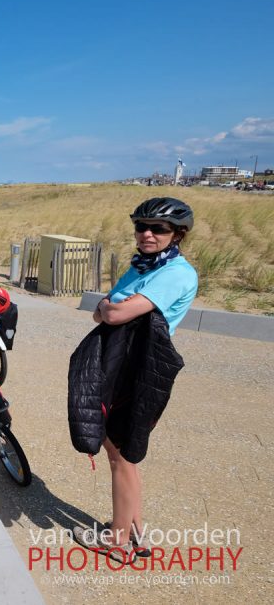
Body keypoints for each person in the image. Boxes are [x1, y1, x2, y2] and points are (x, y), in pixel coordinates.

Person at [69, 197, 197, 561]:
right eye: (141, 226)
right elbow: (102, 312)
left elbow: (113, 312)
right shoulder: (142, 267)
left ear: (178, 234)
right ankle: (134, 530)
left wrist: (110, 308)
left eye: (159, 229)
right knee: (124, 453)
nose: (147, 234)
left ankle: (118, 542)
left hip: (138, 367)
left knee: (120, 454)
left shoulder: (177, 273)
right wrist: (109, 308)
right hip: (119, 360)